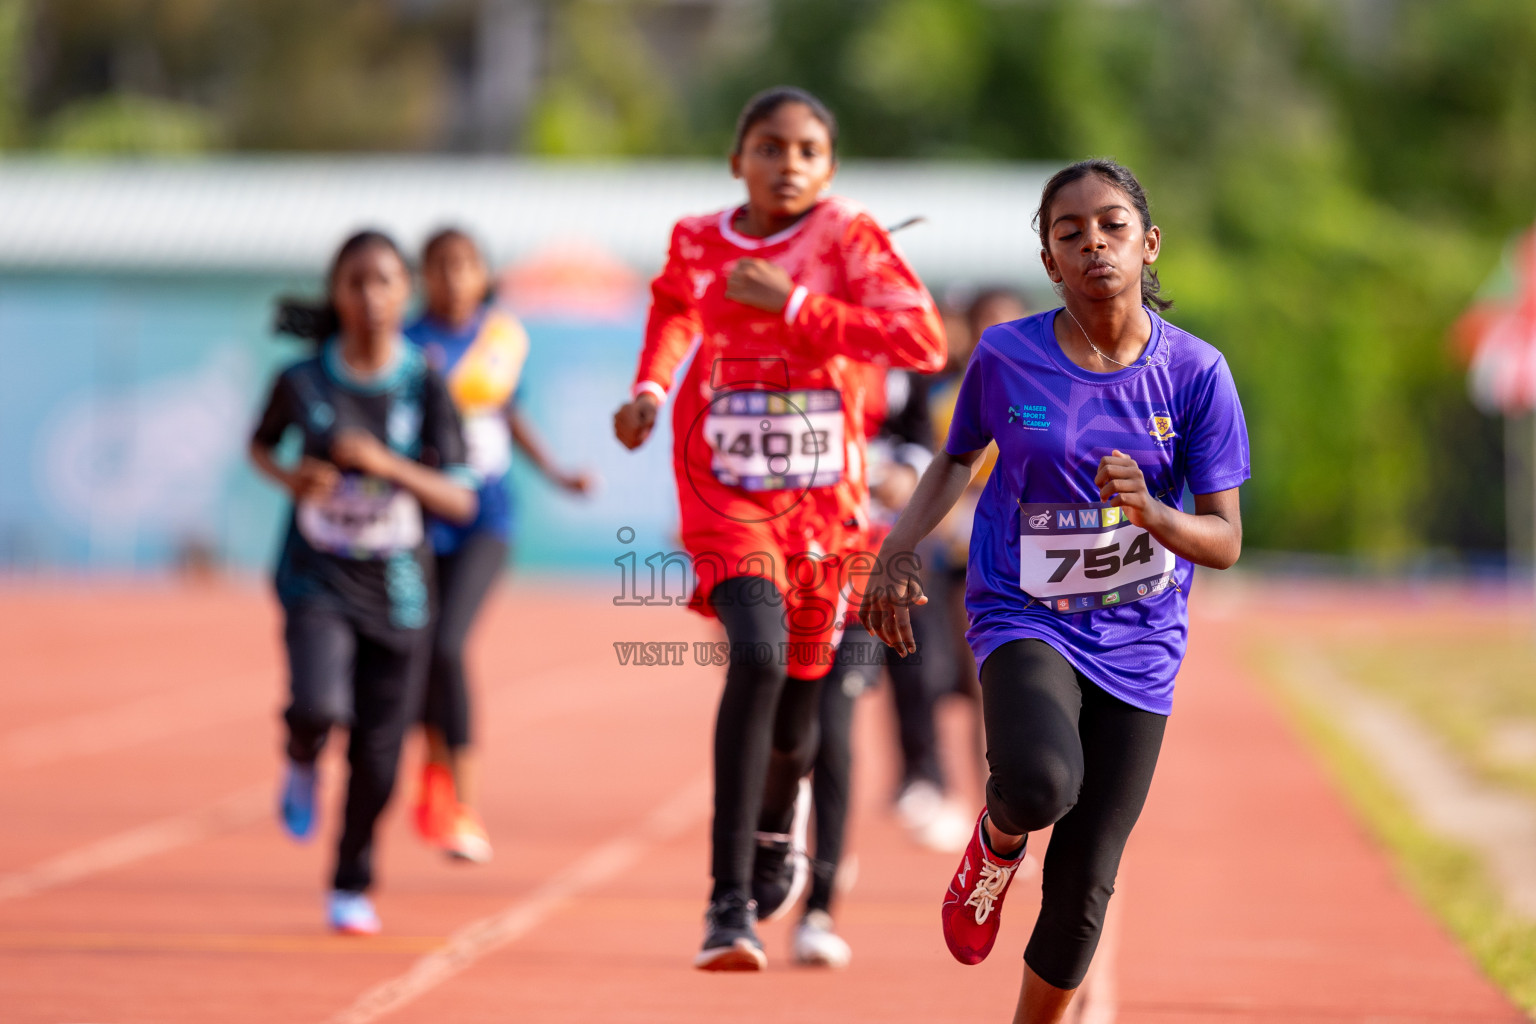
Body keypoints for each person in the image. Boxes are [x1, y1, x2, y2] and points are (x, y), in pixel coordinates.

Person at [862, 159, 1249, 1022]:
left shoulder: (1196, 375)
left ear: (1148, 245)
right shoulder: (1006, 356)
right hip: (1021, 610)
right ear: (1049, 260)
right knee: (1039, 783)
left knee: (1084, 882)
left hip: (1140, 638)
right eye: (1068, 233)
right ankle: (995, 844)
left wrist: (1152, 512)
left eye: (1112, 226)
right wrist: (897, 548)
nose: (1093, 244)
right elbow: (956, 459)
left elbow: (1224, 539)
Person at [613, 85, 946, 970]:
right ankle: (727, 906)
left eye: (805, 151)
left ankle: (774, 830)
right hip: (724, 488)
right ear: (737, 160)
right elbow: (677, 309)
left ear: (829, 168)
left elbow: (922, 343)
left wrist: (794, 304)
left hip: (824, 510)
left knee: (801, 711)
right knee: (755, 657)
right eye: (768, 146)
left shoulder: (847, 239)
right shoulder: (697, 239)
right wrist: (651, 388)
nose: (786, 163)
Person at [250, 230, 478, 935]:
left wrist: (389, 465)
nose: (371, 296)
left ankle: (351, 881)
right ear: (336, 294)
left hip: (400, 584)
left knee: (380, 758)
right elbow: (261, 445)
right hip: (315, 574)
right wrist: (296, 479)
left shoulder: (425, 381)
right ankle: (300, 756)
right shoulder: (302, 380)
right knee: (320, 705)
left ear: (404, 293)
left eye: (384, 281)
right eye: (355, 282)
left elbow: (461, 498)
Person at [404, 227, 593, 863]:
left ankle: (462, 803)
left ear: (484, 275)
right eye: (440, 267)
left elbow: (511, 415)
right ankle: (432, 768)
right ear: (423, 277)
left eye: (464, 266)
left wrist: (558, 472)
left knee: (450, 644)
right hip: (417, 518)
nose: (453, 279)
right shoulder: (405, 344)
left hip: (486, 516)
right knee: (419, 651)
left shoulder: (502, 339)